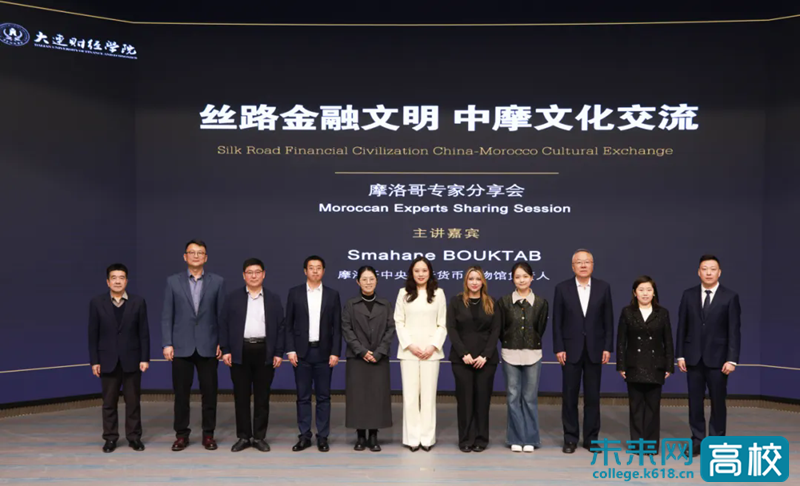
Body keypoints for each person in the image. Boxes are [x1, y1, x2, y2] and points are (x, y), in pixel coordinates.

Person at [161, 239, 225, 451]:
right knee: (181, 395)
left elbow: (221, 316)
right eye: (192, 252)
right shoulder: (173, 282)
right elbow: (167, 315)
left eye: (200, 253)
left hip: (209, 346)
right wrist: (167, 343)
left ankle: (208, 435)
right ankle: (181, 435)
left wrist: (222, 343)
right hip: (181, 346)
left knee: (210, 394)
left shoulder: (217, 282)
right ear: (185, 256)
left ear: (206, 257)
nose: (196, 256)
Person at [676, 255, 741, 457]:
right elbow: (682, 327)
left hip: (719, 360)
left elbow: (734, 330)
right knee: (694, 402)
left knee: (718, 402)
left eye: (713, 269)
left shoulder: (730, 297)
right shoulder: (688, 295)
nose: (709, 272)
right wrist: (680, 355)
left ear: (719, 272)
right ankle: (697, 440)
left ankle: (716, 442)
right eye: (705, 269)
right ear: (699, 272)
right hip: (693, 358)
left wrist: (732, 359)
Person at [219, 258, 284, 452]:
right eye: (249, 272)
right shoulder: (232, 298)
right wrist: (226, 349)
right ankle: (243, 436)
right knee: (241, 397)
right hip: (240, 351)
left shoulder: (273, 298)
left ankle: (259, 437)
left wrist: (278, 352)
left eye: (257, 272)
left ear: (263, 274)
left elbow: (281, 327)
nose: (253, 276)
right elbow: (223, 324)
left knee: (262, 397)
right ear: (243, 275)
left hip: (265, 351)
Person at [553, 249, 614, 454]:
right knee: (569, 397)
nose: (583, 265)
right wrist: (559, 347)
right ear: (573, 266)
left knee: (592, 397)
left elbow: (608, 320)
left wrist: (607, 347)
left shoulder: (603, 288)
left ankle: (591, 439)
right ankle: (570, 439)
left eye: (587, 262)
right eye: (579, 262)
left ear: (592, 265)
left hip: (595, 350)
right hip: (570, 350)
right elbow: (557, 322)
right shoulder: (562, 288)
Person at [88, 263, 150, 453]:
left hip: (132, 359)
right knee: (109, 403)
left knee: (133, 402)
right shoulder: (97, 302)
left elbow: (144, 333)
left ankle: (134, 437)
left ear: (126, 281)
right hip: (107, 360)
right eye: (113, 278)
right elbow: (93, 334)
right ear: (108, 282)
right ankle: (110, 438)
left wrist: (145, 358)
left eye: (121, 278)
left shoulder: (138, 302)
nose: (117, 281)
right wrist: (95, 361)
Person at [285, 255, 342, 452]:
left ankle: (323, 436)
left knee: (324, 397)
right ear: (305, 271)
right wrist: (290, 349)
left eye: (318, 268)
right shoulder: (295, 293)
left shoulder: (332, 295)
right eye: (311, 267)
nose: (315, 271)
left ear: (323, 271)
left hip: (324, 353)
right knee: (303, 397)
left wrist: (335, 352)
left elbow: (337, 327)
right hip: (301, 353)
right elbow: (288, 325)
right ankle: (304, 436)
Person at [395, 256, 447, 452]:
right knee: (410, 397)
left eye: (424, 270)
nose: (421, 274)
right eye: (417, 271)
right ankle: (412, 438)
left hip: (431, 352)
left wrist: (433, 346)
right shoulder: (403, 293)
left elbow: (442, 323)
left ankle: (427, 438)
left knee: (428, 397)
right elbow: (399, 321)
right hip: (409, 352)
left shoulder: (439, 294)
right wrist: (410, 345)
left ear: (430, 272)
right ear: (412, 273)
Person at [616, 276, 674, 453]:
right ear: (635, 293)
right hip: (634, 364)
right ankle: (637, 444)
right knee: (636, 407)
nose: (645, 293)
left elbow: (668, 341)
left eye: (649, 289)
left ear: (654, 292)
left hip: (656, 365)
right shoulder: (627, 312)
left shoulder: (662, 313)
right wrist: (621, 365)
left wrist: (669, 366)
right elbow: (621, 341)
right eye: (641, 290)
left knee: (653, 407)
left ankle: (651, 445)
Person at [447, 266, 501, 453]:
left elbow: (496, 330)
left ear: (483, 281)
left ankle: (481, 439)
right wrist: (464, 353)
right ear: (466, 281)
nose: (475, 282)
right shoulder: (456, 302)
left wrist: (485, 355)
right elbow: (451, 329)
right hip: (462, 360)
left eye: (478, 279)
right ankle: (465, 439)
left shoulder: (491, 302)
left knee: (482, 401)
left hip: (486, 361)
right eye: (471, 279)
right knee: (464, 401)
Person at [341, 266, 396, 452]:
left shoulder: (385, 304)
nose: (368, 282)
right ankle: (360, 436)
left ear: (377, 281)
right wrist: (362, 351)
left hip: (379, 358)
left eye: (371, 279)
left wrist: (379, 352)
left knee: (376, 397)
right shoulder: (351, 304)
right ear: (358, 282)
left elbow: (390, 329)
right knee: (358, 397)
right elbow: (347, 329)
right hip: (357, 358)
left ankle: (373, 436)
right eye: (364, 279)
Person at [497, 261, 548, 453]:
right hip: (510, 354)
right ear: (512, 279)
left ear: (532, 278)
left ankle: (531, 439)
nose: (521, 280)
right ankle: (515, 438)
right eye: (517, 277)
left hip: (533, 354)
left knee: (529, 397)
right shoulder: (504, 302)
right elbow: (501, 329)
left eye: (525, 276)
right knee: (513, 397)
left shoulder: (541, 303)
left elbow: (540, 329)